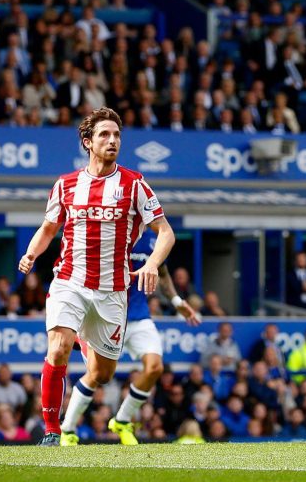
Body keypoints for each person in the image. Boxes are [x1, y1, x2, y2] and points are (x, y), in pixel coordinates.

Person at [18, 107, 175, 447]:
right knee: (58, 347)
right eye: (104, 134)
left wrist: (150, 265)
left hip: (112, 293)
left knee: (102, 375)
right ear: (88, 143)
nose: (112, 140)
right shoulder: (66, 184)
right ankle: (51, 430)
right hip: (69, 282)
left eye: (117, 135)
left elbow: (165, 233)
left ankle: (86, 341)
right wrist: (31, 253)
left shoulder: (135, 185)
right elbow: (48, 228)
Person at [59, 232, 202, 446]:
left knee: (155, 368)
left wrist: (175, 300)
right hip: (106, 317)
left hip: (139, 316)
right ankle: (67, 430)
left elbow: (162, 272)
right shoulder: (108, 234)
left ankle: (122, 420)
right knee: (97, 375)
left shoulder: (153, 240)